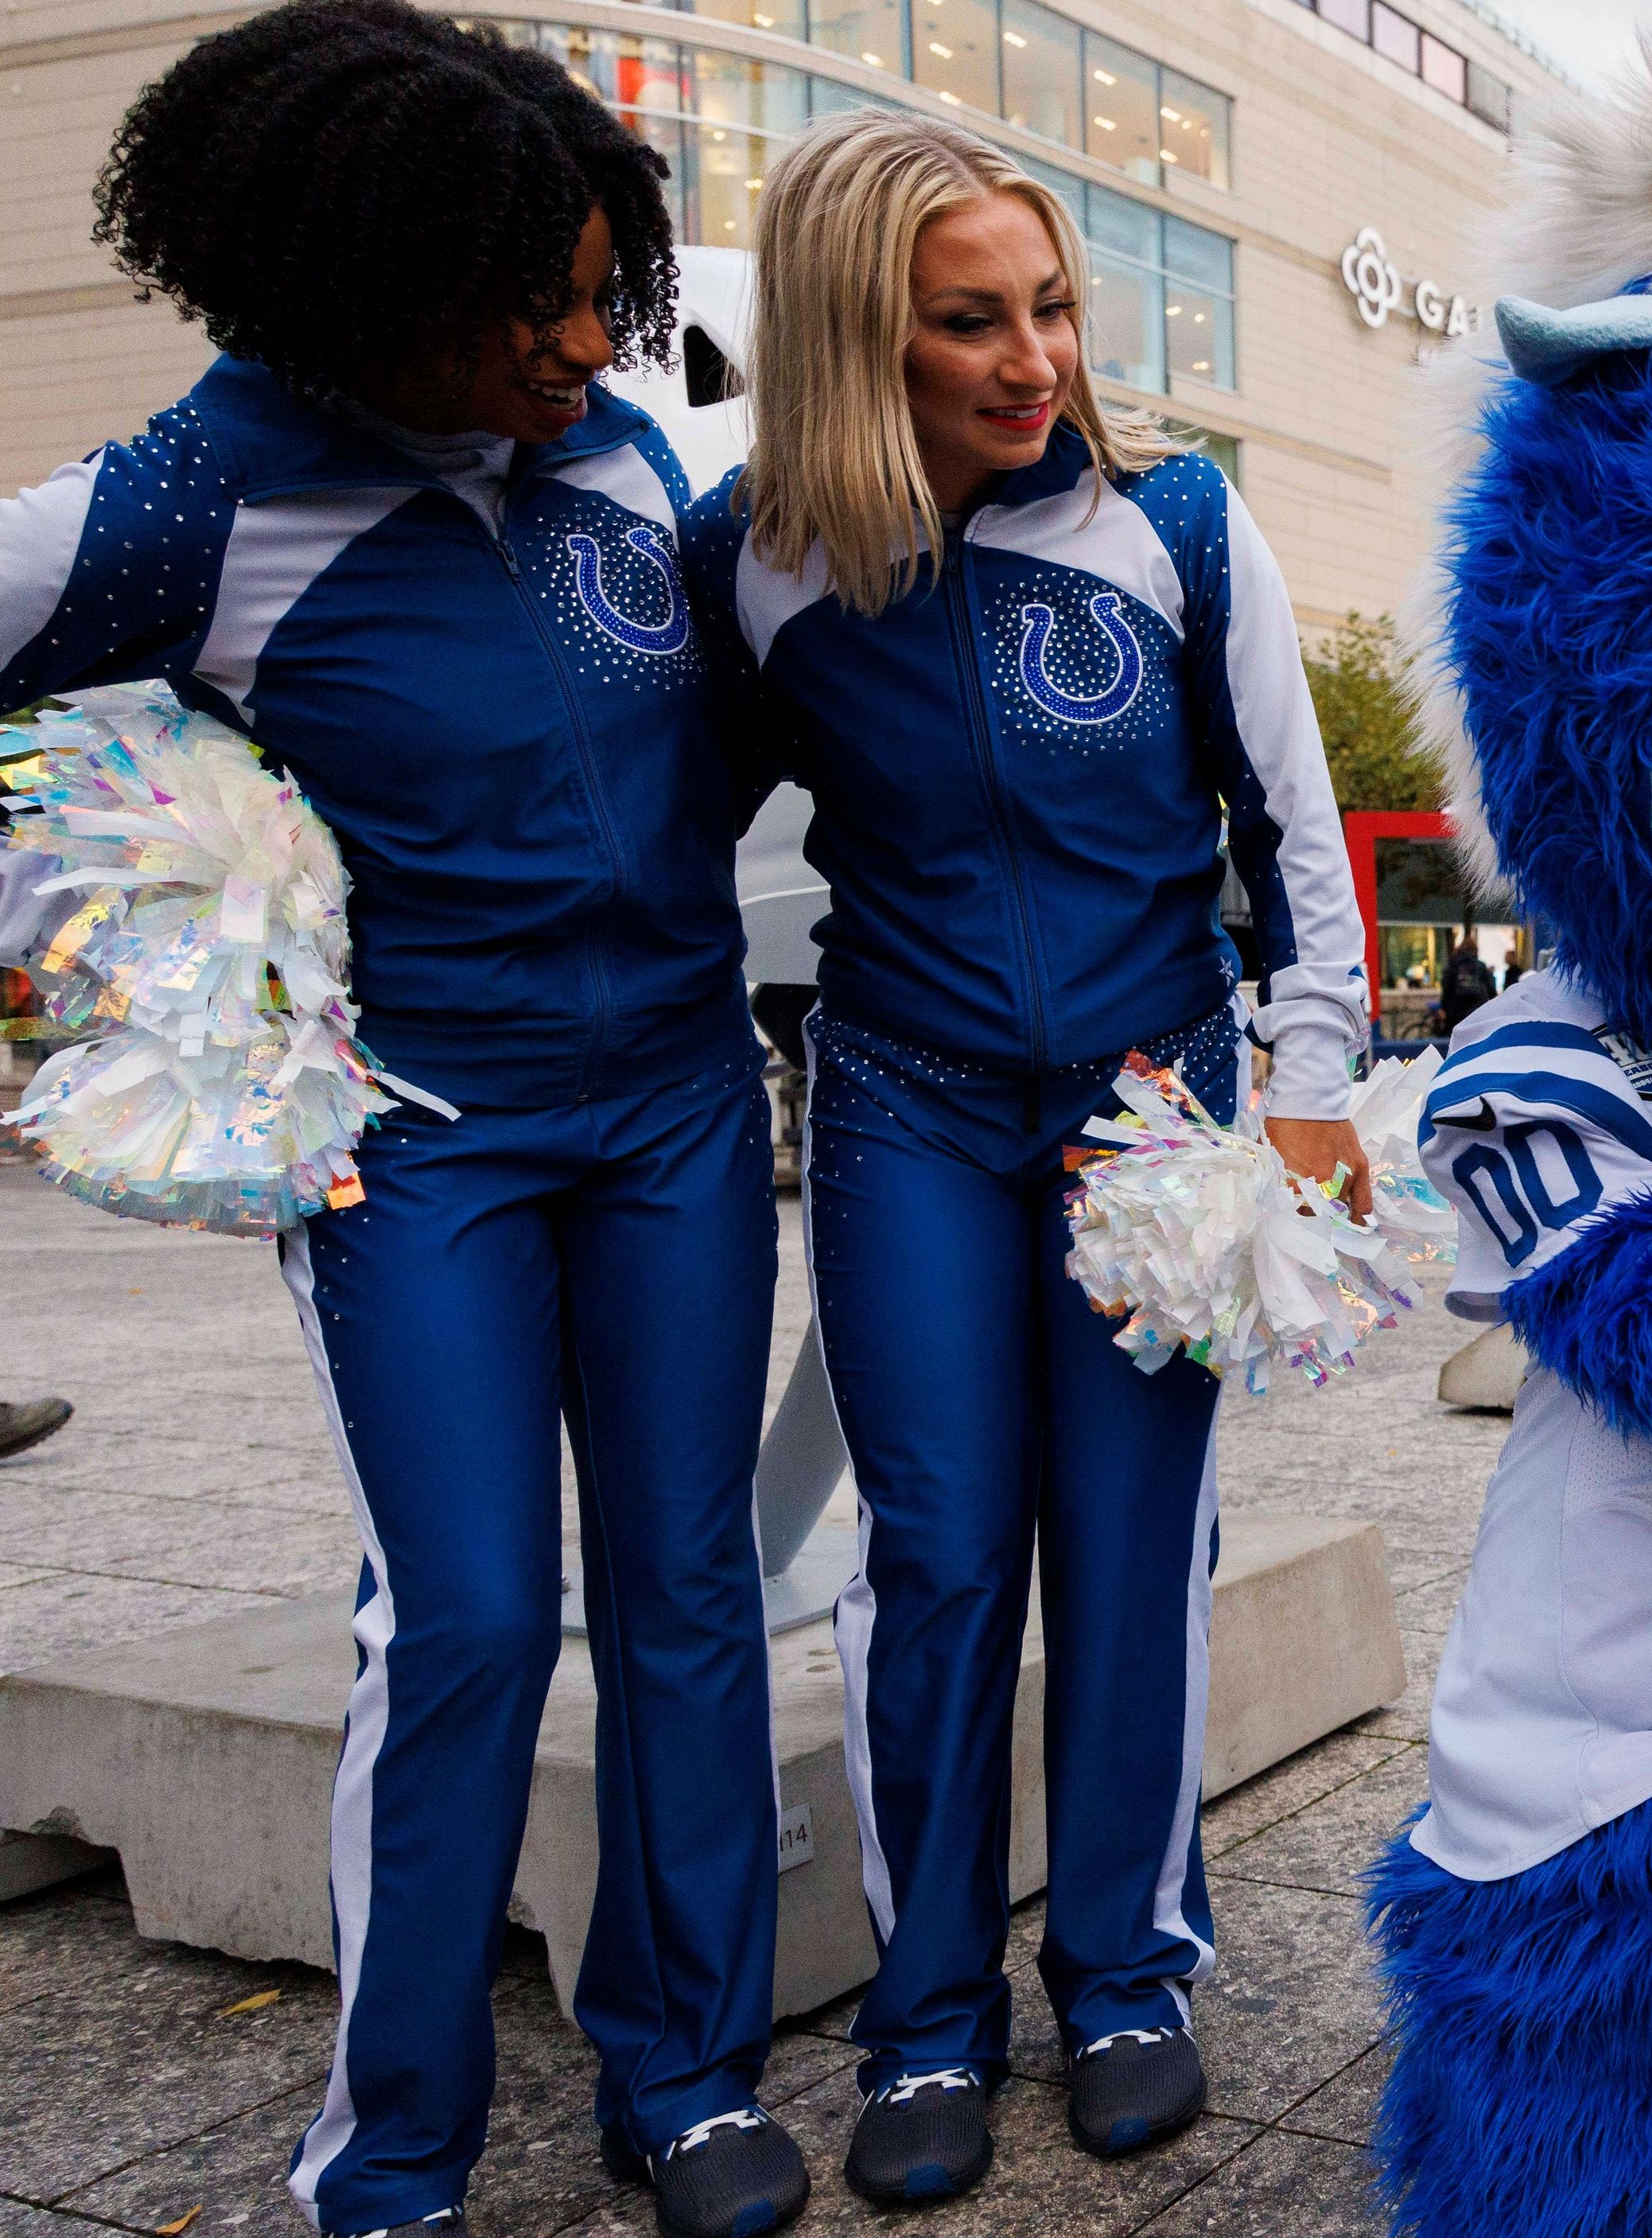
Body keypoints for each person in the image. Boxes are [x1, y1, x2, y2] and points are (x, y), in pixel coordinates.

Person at [4, 9, 806, 2235]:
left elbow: (708, 742)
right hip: (420, 1136)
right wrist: (109, 930)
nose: (579, 342)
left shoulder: (634, 460)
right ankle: (396, 2148)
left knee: (686, 1586)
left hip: (673, 1111)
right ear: (361, 295)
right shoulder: (192, 497)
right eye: (519, 305)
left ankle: (689, 2069)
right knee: (459, 1613)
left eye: (594, 287)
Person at [702, 108, 1370, 2205]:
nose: (1034, 357)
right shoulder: (758, 556)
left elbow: (1294, 834)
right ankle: (928, 2010)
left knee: (1128, 1540)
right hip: (904, 1100)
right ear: (849, 342)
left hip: (1153, 1102)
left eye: (1053, 307)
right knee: (944, 1552)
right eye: (967, 322)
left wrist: (1319, 1063)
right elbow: (632, 824)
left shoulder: (1183, 522)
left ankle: (1122, 1968)